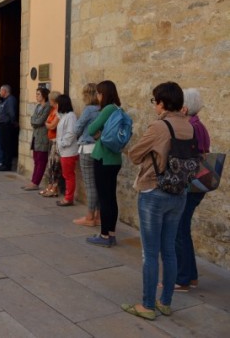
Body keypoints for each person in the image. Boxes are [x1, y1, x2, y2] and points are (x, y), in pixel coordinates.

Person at [123, 81, 194, 320]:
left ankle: (147, 305)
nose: (155, 106)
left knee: (150, 253)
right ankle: (165, 302)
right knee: (170, 251)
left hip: (155, 190)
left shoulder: (159, 126)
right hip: (179, 193)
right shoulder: (188, 126)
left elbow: (134, 155)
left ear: (162, 103)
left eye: (155, 101)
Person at [174, 88, 210, 292]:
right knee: (183, 228)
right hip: (198, 183)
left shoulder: (191, 127)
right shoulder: (198, 125)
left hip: (191, 184)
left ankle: (183, 278)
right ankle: (191, 276)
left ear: (185, 107)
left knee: (179, 230)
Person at [86, 80, 124, 247]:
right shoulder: (118, 109)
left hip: (103, 158)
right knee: (111, 197)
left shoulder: (108, 109)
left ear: (104, 94)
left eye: (99, 93)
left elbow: (91, 129)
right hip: (115, 159)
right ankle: (111, 234)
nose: (98, 96)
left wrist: (98, 133)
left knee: (104, 198)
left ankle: (104, 235)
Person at [73, 83, 101, 226]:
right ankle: (99, 216)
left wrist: (78, 136)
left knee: (90, 185)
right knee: (99, 184)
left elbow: (77, 128)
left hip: (88, 148)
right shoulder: (103, 109)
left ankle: (90, 217)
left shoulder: (89, 109)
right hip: (100, 149)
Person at [23, 87, 51, 191]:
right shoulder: (38, 106)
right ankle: (33, 181)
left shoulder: (47, 107)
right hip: (36, 135)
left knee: (41, 160)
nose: (36, 96)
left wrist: (35, 121)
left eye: (38, 94)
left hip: (43, 136)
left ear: (44, 95)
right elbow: (33, 119)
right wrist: (35, 121)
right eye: (36, 94)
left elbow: (40, 121)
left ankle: (36, 182)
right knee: (36, 159)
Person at [55, 94, 78, 206]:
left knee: (68, 175)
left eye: (58, 103)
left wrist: (62, 143)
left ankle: (69, 198)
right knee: (67, 175)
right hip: (64, 151)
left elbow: (71, 133)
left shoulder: (71, 117)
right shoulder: (64, 116)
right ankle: (68, 197)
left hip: (68, 151)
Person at [39, 91, 61, 197]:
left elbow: (51, 125)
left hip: (56, 140)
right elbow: (48, 122)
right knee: (50, 166)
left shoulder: (59, 111)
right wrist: (48, 124)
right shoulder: (52, 110)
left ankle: (54, 188)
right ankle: (50, 186)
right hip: (51, 140)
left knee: (55, 165)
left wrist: (48, 124)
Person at [0, 84, 18, 171]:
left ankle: (7, 165)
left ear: (5, 91)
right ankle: (4, 163)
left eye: (1, 91)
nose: (0, 92)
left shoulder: (11, 100)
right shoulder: (5, 100)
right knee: (3, 146)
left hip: (7, 126)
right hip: (2, 126)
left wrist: (12, 122)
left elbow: (11, 113)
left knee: (7, 146)